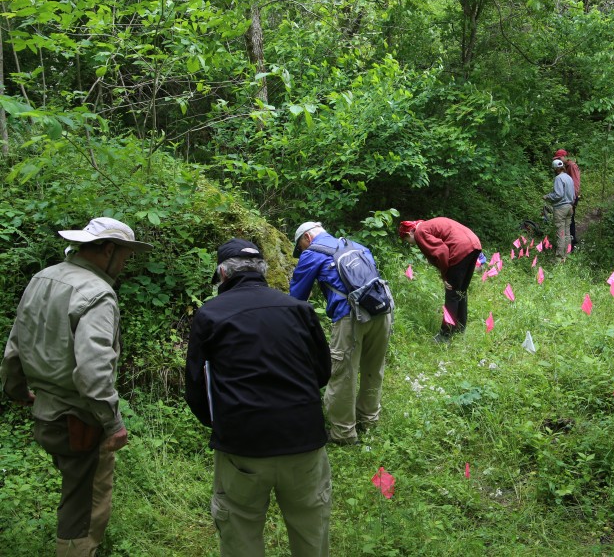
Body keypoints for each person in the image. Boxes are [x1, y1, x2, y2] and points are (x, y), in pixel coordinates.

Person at [1, 217, 152, 556]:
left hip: (46, 415)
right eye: (126, 255)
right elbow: (93, 371)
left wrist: (15, 391)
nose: (126, 264)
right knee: (82, 506)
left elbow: (15, 345)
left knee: (77, 491)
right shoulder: (98, 294)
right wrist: (113, 423)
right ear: (109, 250)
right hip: (78, 419)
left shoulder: (44, 277)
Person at [186, 238, 332, 557]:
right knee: (311, 526)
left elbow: (195, 387)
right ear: (263, 271)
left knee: (239, 528)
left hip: (241, 445)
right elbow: (322, 373)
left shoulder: (210, 314)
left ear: (222, 274)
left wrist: (222, 423)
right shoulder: (300, 309)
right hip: (303, 439)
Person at [290, 222, 392, 446]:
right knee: (374, 368)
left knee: (343, 373)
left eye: (301, 246)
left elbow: (296, 298)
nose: (302, 251)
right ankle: (369, 420)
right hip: (382, 311)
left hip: (351, 317)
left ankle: (343, 434)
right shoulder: (356, 246)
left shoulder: (313, 254)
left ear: (307, 237)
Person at [398, 218, 482, 342]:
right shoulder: (427, 226)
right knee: (461, 291)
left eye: (407, 240)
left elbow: (442, 252)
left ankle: (445, 335)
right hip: (474, 244)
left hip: (460, 248)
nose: (410, 243)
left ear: (410, 232)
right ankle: (460, 328)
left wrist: (445, 276)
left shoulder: (419, 232)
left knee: (452, 294)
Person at [543, 158, 575, 262]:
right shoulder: (569, 178)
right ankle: (566, 255)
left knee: (560, 233)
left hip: (561, 209)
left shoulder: (558, 178)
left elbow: (558, 194)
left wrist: (548, 196)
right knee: (567, 232)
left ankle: (559, 258)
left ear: (556, 169)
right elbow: (573, 194)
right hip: (570, 207)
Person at [554, 149, 581, 246]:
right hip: (568, 197)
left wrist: (572, 199)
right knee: (568, 219)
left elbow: (575, 183)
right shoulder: (567, 166)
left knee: (569, 220)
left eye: (559, 158)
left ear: (564, 156)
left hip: (571, 198)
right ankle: (570, 242)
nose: (558, 160)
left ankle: (571, 244)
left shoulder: (572, 166)